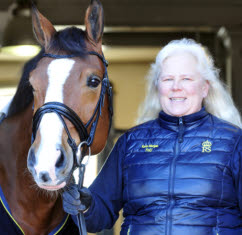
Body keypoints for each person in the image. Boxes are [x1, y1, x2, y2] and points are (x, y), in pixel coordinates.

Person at [62, 38, 242, 235]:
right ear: (158, 86)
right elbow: (98, 217)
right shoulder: (131, 143)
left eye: (186, 79)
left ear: (205, 87)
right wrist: (85, 205)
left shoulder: (233, 142)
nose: (176, 87)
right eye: (167, 79)